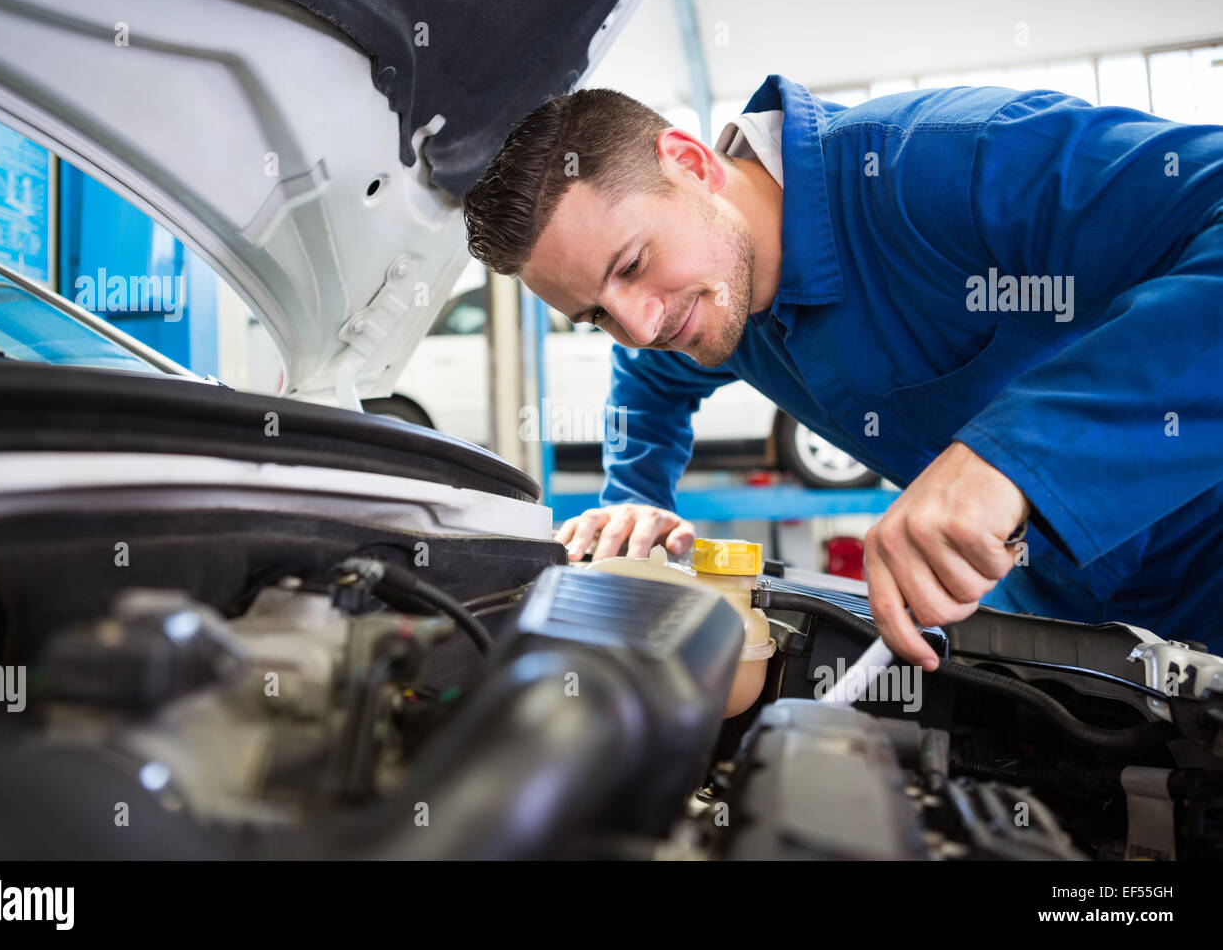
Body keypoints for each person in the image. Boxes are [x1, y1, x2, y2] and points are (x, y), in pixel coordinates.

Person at [460, 78, 1223, 667]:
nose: (640, 326)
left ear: (691, 163)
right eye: (595, 316)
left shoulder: (949, 161)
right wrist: (637, 498)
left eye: (632, 266)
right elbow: (650, 382)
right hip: (1066, 616)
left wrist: (1017, 454)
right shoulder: (705, 302)